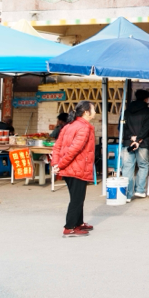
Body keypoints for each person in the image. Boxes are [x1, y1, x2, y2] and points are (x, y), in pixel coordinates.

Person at [51, 101, 96, 238]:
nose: (95, 112)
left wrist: (56, 163)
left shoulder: (68, 126)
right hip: (77, 168)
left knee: (77, 197)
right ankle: (69, 227)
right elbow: (74, 150)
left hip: (70, 168)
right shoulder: (84, 127)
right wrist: (60, 165)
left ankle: (78, 223)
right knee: (77, 199)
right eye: (93, 109)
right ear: (86, 112)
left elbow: (57, 146)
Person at [121, 89, 149, 201]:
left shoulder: (126, 111)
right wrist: (138, 139)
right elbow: (147, 127)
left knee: (127, 168)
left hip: (128, 143)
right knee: (143, 165)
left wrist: (131, 137)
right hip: (142, 143)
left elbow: (122, 127)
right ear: (146, 99)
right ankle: (139, 190)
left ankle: (127, 195)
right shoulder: (148, 111)